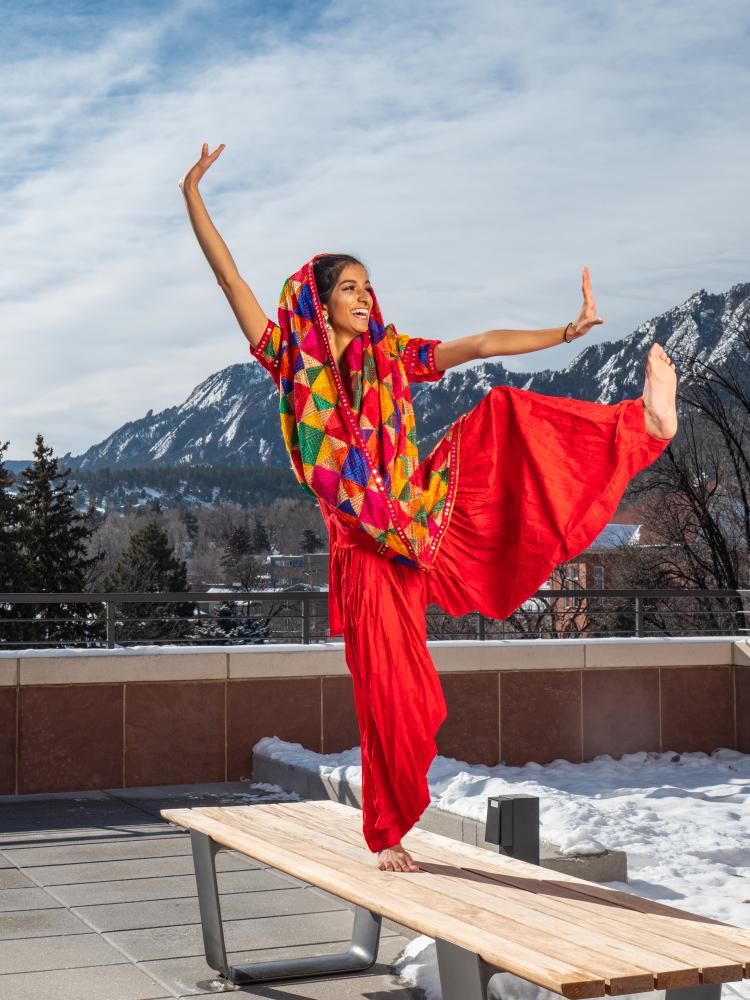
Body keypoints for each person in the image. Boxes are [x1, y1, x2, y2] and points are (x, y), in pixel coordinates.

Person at [179, 143, 678, 874]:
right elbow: (229, 276)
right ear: (321, 300)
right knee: (399, 702)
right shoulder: (291, 360)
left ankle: (643, 426)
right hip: (370, 555)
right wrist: (193, 192)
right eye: (350, 287)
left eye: (367, 286)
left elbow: (477, 345)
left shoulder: (391, 354)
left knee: (505, 414)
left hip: (422, 511)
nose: (364, 296)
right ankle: (387, 833)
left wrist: (564, 332)